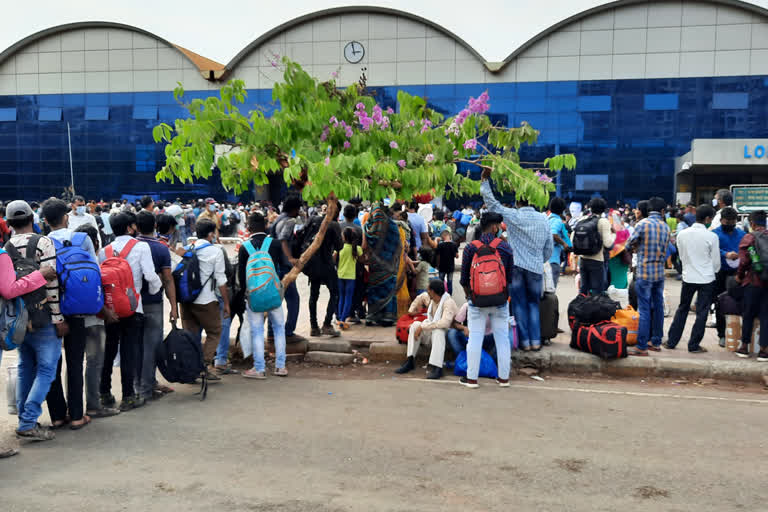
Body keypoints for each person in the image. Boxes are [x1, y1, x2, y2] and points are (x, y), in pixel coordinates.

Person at [40, 199, 120, 429]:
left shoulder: (41, 242)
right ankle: (77, 415)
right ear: (67, 217)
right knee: (75, 362)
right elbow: (93, 274)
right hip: (77, 310)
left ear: (45, 220)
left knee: (52, 363)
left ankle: (57, 415)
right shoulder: (82, 239)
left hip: (50, 311)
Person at [3, 201, 62, 445]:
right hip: (43, 316)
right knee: (47, 369)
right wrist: (58, 318)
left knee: (26, 364)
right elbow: (52, 283)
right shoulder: (43, 242)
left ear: (8, 224)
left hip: (18, 319)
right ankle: (28, 421)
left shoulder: (6, 248)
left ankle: (23, 418)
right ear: (32, 218)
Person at [480, 172, 553, 352]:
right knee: (533, 304)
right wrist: (539, 260)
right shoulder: (544, 219)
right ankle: (536, 342)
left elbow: (492, 204)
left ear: (518, 202)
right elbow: (549, 248)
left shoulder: (514, 215)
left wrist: (484, 181)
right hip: (536, 268)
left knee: (519, 304)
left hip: (516, 267)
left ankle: (525, 343)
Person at [99, 212, 162, 410]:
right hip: (133, 306)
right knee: (129, 351)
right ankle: (128, 396)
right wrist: (154, 290)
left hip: (110, 309)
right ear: (129, 227)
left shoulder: (104, 250)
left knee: (108, 351)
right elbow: (150, 276)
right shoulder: (141, 246)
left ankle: (105, 394)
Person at [459, 212, 513, 388]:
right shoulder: (504, 247)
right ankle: (503, 378)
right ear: (495, 227)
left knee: (474, 339)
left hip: (477, 301)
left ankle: (472, 379)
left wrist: (470, 296)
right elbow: (510, 277)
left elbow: (464, 279)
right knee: (502, 339)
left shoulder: (470, 248)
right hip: (500, 300)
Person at [662, 205, 720, 353]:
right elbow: (716, 263)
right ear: (707, 219)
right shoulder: (712, 237)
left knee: (682, 308)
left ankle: (672, 341)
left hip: (688, 276)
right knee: (702, 312)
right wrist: (710, 272)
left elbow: (681, 256)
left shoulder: (682, 234)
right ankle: (694, 345)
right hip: (707, 278)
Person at [239, 212, 289, 378]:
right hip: (274, 295)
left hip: (254, 296)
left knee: (257, 331)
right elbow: (283, 266)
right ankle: (280, 367)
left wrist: (245, 295)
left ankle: (259, 369)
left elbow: (241, 277)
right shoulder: (274, 244)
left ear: (249, 227)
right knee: (279, 329)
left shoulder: (245, 247)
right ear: (266, 226)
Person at [135, 211, 179, 398]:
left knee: (136, 346)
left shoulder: (130, 246)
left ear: (135, 227)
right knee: (151, 346)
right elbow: (168, 280)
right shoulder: (161, 249)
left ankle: (142, 385)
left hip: (132, 304)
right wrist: (174, 307)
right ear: (155, 226)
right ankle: (145, 389)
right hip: (153, 302)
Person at [179, 219, 230, 378]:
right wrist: (226, 303)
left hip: (186, 301)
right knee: (215, 332)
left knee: (191, 335)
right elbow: (221, 280)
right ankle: (202, 365)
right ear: (210, 234)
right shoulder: (215, 251)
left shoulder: (186, 249)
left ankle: (190, 368)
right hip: (206, 300)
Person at [628, 197, 671, 356]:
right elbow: (667, 248)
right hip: (659, 272)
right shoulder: (665, 227)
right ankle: (656, 341)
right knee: (658, 307)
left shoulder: (642, 224)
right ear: (662, 211)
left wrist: (636, 247)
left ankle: (641, 346)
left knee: (644, 309)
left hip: (645, 271)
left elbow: (628, 243)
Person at [395, 280, 457, 379]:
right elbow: (427, 317)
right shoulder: (432, 301)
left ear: (433, 291)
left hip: (445, 337)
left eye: (428, 289)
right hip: (432, 335)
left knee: (438, 330)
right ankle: (410, 360)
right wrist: (413, 313)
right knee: (415, 325)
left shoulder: (448, 302)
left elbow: (445, 323)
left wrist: (423, 327)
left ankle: (438, 367)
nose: (427, 291)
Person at [364, 205, 407, 327]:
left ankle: (373, 315)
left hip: (376, 265)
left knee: (375, 289)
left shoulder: (370, 228)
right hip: (390, 264)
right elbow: (398, 246)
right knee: (388, 289)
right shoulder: (393, 226)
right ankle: (387, 316)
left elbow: (367, 241)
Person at [271, 195, 305, 342]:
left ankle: (271, 333)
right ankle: (288, 331)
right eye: (299, 209)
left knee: (275, 299)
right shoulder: (290, 221)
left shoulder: (278, 219)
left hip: (274, 265)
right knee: (293, 299)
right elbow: (284, 239)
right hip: (284, 266)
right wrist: (290, 258)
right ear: (294, 209)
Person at [735, 210, 768, 361]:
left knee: (748, 314)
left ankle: (744, 347)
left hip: (753, 281)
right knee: (766, 316)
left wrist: (739, 276)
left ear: (752, 223)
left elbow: (743, 262)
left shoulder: (749, 237)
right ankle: (764, 351)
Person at [305, 213, 343, 337]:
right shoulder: (333, 225)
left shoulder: (314, 220)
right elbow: (339, 246)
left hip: (313, 264)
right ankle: (327, 324)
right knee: (335, 292)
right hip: (327, 263)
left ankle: (314, 326)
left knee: (313, 295)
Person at [713, 207, 746, 347]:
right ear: (721, 221)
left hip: (738, 273)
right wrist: (725, 253)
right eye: (727, 221)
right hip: (721, 272)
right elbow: (712, 249)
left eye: (733, 221)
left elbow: (748, 248)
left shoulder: (742, 234)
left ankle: (739, 332)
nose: (730, 224)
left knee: (739, 302)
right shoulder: (714, 234)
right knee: (720, 302)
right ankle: (722, 334)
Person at [578, 198, 616, 295]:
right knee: (597, 290)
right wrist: (614, 235)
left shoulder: (582, 219)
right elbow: (608, 243)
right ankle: (595, 309)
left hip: (582, 259)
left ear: (590, 208)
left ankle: (581, 308)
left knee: (583, 289)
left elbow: (573, 238)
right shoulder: (603, 221)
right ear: (603, 209)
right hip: (597, 260)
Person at [337, 227, 363, 329]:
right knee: (348, 298)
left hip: (340, 275)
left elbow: (334, 258)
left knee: (341, 298)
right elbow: (362, 259)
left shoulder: (339, 248)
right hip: (351, 277)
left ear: (344, 237)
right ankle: (343, 320)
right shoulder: (357, 249)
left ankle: (339, 319)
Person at [547, 197, 572, 288]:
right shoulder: (557, 221)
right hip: (553, 260)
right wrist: (564, 244)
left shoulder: (548, 219)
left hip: (545, 259)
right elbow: (554, 234)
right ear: (562, 209)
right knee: (551, 290)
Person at [434, 229, 458, 295]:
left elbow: (438, 257)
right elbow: (457, 256)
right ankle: (449, 296)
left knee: (440, 282)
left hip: (442, 267)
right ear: (449, 236)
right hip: (450, 267)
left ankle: (441, 295)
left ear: (443, 236)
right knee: (450, 282)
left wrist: (437, 265)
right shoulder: (454, 245)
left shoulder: (440, 245)